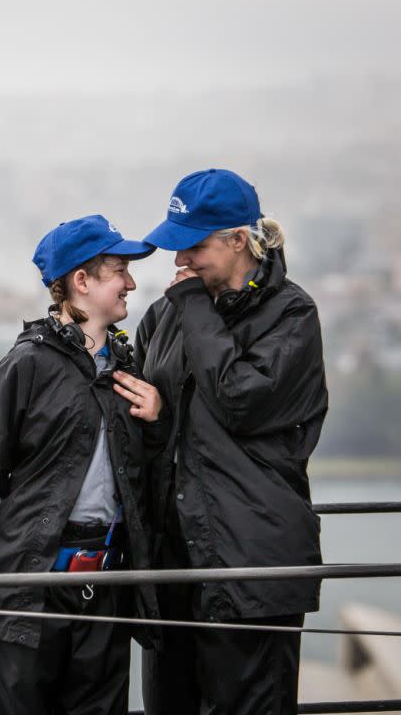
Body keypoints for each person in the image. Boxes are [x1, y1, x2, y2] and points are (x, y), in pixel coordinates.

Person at [0, 215, 166, 715]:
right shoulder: (27, 364)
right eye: (119, 271)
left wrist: (156, 420)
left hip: (106, 586)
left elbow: (140, 476)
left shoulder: (127, 368)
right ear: (81, 282)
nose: (131, 282)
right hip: (28, 588)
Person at [134, 169, 329, 715]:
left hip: (252, 571)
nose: (179, 263)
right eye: (175, 247)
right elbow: (142, 417)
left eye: (193, 247)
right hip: (176, 571)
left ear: (238, 240)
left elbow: (240, 402)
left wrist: (194, 305)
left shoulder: (292, 314)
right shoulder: (163, 317)